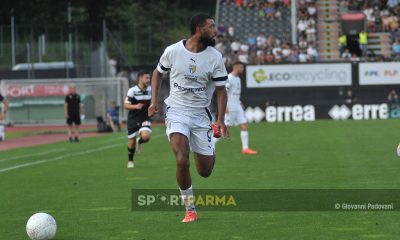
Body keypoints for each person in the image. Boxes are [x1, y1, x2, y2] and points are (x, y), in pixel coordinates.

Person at [148, 13, 228, 223]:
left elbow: (221, 89)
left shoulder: (214, 57)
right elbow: (157, 73)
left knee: (205, 171)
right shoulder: (173, 51)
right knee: (181, 160)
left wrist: (220, 120)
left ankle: (206, 144)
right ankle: (190, 208)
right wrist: (153, 101)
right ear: (199, 29)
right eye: (211, 26)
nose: (215, 30)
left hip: (201, 115)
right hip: (176, 111)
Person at [214, 61, 257, 154]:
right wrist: (225, 107)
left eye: (242, 67)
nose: (242, 69)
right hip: (230, 107)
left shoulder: (238, 78)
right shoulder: (229, 78)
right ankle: (208, 146)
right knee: (223, 129)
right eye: (241, 67)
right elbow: (223, 93)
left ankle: (245, 148)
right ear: (235, 67)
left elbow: (233, 93)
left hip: (237, 106)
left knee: (244, 125)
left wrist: (239, 102)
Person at [124, 71, 152, 169]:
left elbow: (153, 103)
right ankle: (130, 160)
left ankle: (139, 141)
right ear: (140, 78)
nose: (148, 80)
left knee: (146, 137)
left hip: (145, 118)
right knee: (131, 142)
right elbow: (125, 105)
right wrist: (135, 106)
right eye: (146, 78)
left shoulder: (151, 90)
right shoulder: (132, 90)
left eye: (149, 78)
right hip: (133, 118)